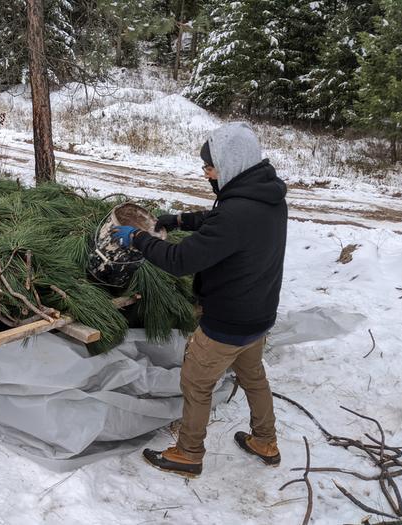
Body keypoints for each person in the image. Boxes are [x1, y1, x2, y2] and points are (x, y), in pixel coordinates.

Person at [111, 122, 288, 477]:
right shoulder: (265, 197)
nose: (206, 172)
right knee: (253, 377)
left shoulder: (237, 212)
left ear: (231, 163)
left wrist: (139, 239)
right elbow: (218, 219)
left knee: (195, 384)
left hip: (227, 322)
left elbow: (180, 261)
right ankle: (265, 441)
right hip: (259, 314)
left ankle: (188, 454)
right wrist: (178, 220)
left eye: (210, 166)